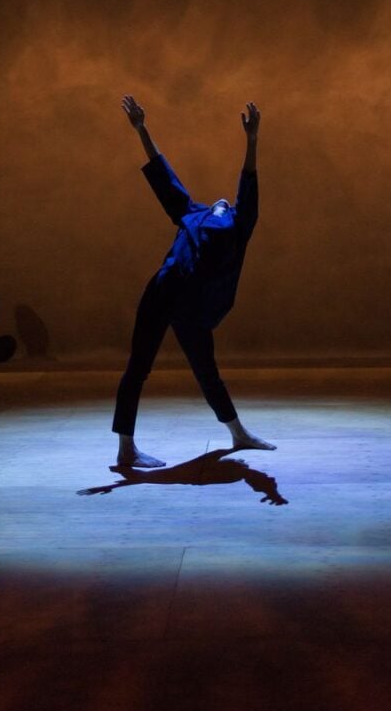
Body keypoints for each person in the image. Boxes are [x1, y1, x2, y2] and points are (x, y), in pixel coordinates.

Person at [112, 95, 276, 467]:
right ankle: (126, 448)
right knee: (138, 366)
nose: (222, 200)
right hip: (164, 291)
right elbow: (163, 176)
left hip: (195, 307)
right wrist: (142, 129)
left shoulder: (238, 224)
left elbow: (248, 184)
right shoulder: (191, 213)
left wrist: (252, 141)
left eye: (228, 201)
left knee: (206, 371)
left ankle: (238, 433)